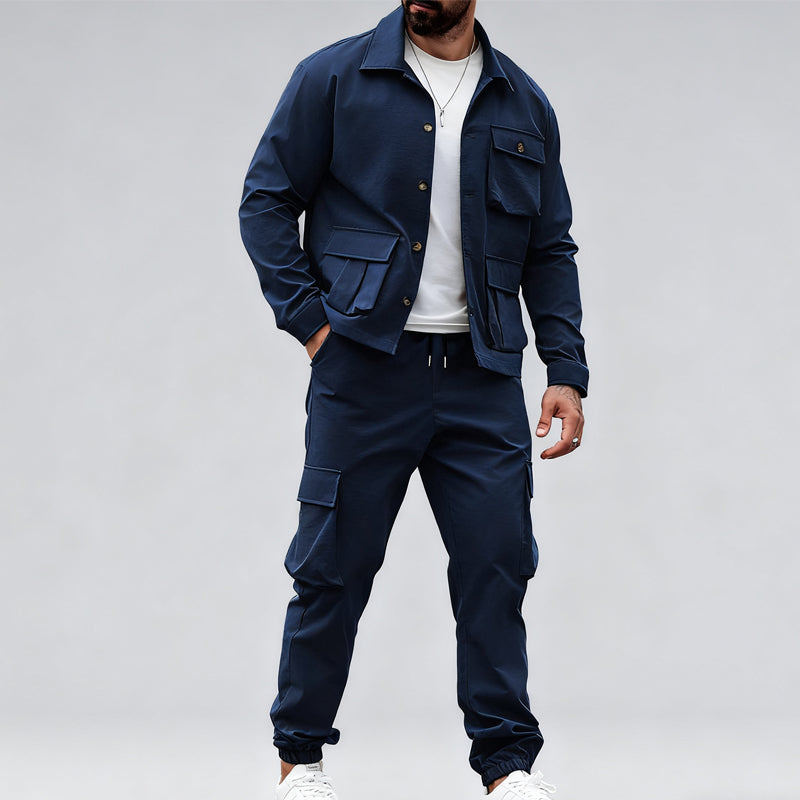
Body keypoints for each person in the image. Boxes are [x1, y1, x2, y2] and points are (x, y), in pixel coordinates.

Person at [239, 1, 588, 797]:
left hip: (482, 377)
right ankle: (300, 762)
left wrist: (565, 369)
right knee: (332, 570)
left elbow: (550, 246)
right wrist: (313, 327)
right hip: (365, 372)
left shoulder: (522, 103)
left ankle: (506, 767)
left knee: (497, 568)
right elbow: (265, 200)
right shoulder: (333, 78)